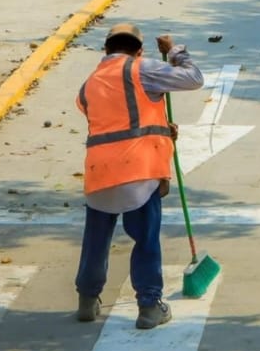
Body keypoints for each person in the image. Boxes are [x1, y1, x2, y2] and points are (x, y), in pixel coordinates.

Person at [74, 23, 204, 330]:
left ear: (105, 49)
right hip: (138, 174)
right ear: (139, 50)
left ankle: (87, 301)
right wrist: (175, 51)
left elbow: (113, 118)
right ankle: (149, 306)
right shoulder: (141, 68)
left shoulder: (90, 83)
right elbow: (194, 79)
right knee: (145, 239)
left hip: (98, 173)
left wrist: (161, 126)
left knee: (96, 239)